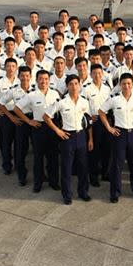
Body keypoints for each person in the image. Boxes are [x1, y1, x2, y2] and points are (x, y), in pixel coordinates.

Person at [99, 73, 133, 202]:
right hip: (119, 134)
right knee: (117, 165)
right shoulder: (114, 99)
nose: (126, 86)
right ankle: (115, 193)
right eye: (123, 84)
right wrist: (109, 128)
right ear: (120, 85)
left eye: (129, 83)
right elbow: (101, 111)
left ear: (132, 85)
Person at [45, 75, 93, 204]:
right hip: (67, 137)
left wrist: (90, 139)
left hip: (82, 136)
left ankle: (83, 192)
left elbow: (88, 121)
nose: (74, 86)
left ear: (79, 85)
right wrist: (58, 130)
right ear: (67, 86)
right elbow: (46, 117)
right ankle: (67, 195)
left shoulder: (84, 102)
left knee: (83, 167)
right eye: (71, 84)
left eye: (76, 83)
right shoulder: (61, 102)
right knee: (66, 168)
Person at [14, 70, 61, 193]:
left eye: (46, 79)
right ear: (36, 80)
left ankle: (54, 181)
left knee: (53, 157)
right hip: (38, 127)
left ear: (49, 80)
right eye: (41, 78)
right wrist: (29, 122)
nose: (44, 81)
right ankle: (38, 183)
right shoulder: (32, 95)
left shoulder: (55, 93)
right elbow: (16, 108)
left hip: (53, 126)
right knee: (38, 157)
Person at [2, 66, 35, 186]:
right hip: (21, 121)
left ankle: (41, 174)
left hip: (35, 121)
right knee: (21, 148)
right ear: (18, 76)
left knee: (37, 149)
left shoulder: (36, 90)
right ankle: (21, 174)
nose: (25, 78)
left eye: (27, 75)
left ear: (31, 77)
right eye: (22, 75)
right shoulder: (13, 91)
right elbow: (1, 103)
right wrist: (11, 117)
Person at [83, 63, 112, 185]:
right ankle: (93, 176)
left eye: (99, 73)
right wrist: (89, 117)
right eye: (94, 73)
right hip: (94, 122)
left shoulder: (107, 88)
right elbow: (83, 106)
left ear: (103, 74)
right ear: (91, 74)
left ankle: (106, 173)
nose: (97, 75)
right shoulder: (86, 89)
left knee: (107, 149)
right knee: (94, 150)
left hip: (107, 121)